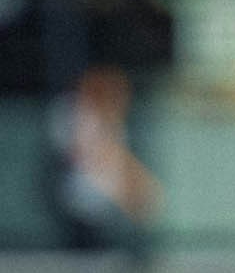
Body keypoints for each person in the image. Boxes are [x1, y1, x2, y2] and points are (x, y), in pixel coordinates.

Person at [47, 66, 161, 248]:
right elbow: (86, 155)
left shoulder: (114, 121)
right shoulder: (71, 113)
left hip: (108, 209)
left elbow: (117, 161)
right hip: (81, 202)